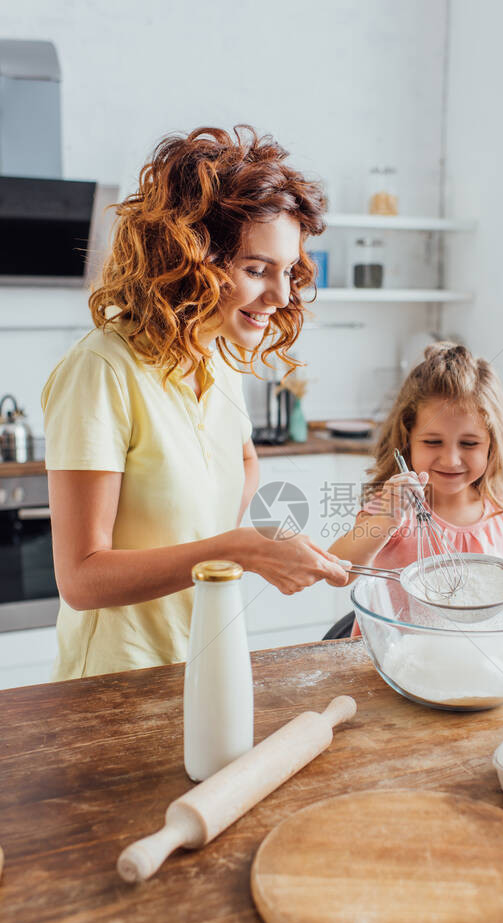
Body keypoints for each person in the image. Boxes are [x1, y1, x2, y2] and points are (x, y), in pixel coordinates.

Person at [42, 125, 349, 681]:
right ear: (189, 257)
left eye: (287, 272)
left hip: (202, 658)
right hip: (113, 684)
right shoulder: (102, 371)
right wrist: (235, 550)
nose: (281, 297)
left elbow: (245, 461)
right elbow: (81, 580)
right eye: (257, 270)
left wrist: (231, 545)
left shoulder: (218, 358)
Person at [329, 341, 503, 634]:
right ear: (406, 440)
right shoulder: (393, 506)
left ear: (492, 446)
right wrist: (386, 520)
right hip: (394, 659)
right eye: (432, 442)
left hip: (470, 662)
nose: (451, 459)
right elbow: (339, 571)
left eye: (469, 443)